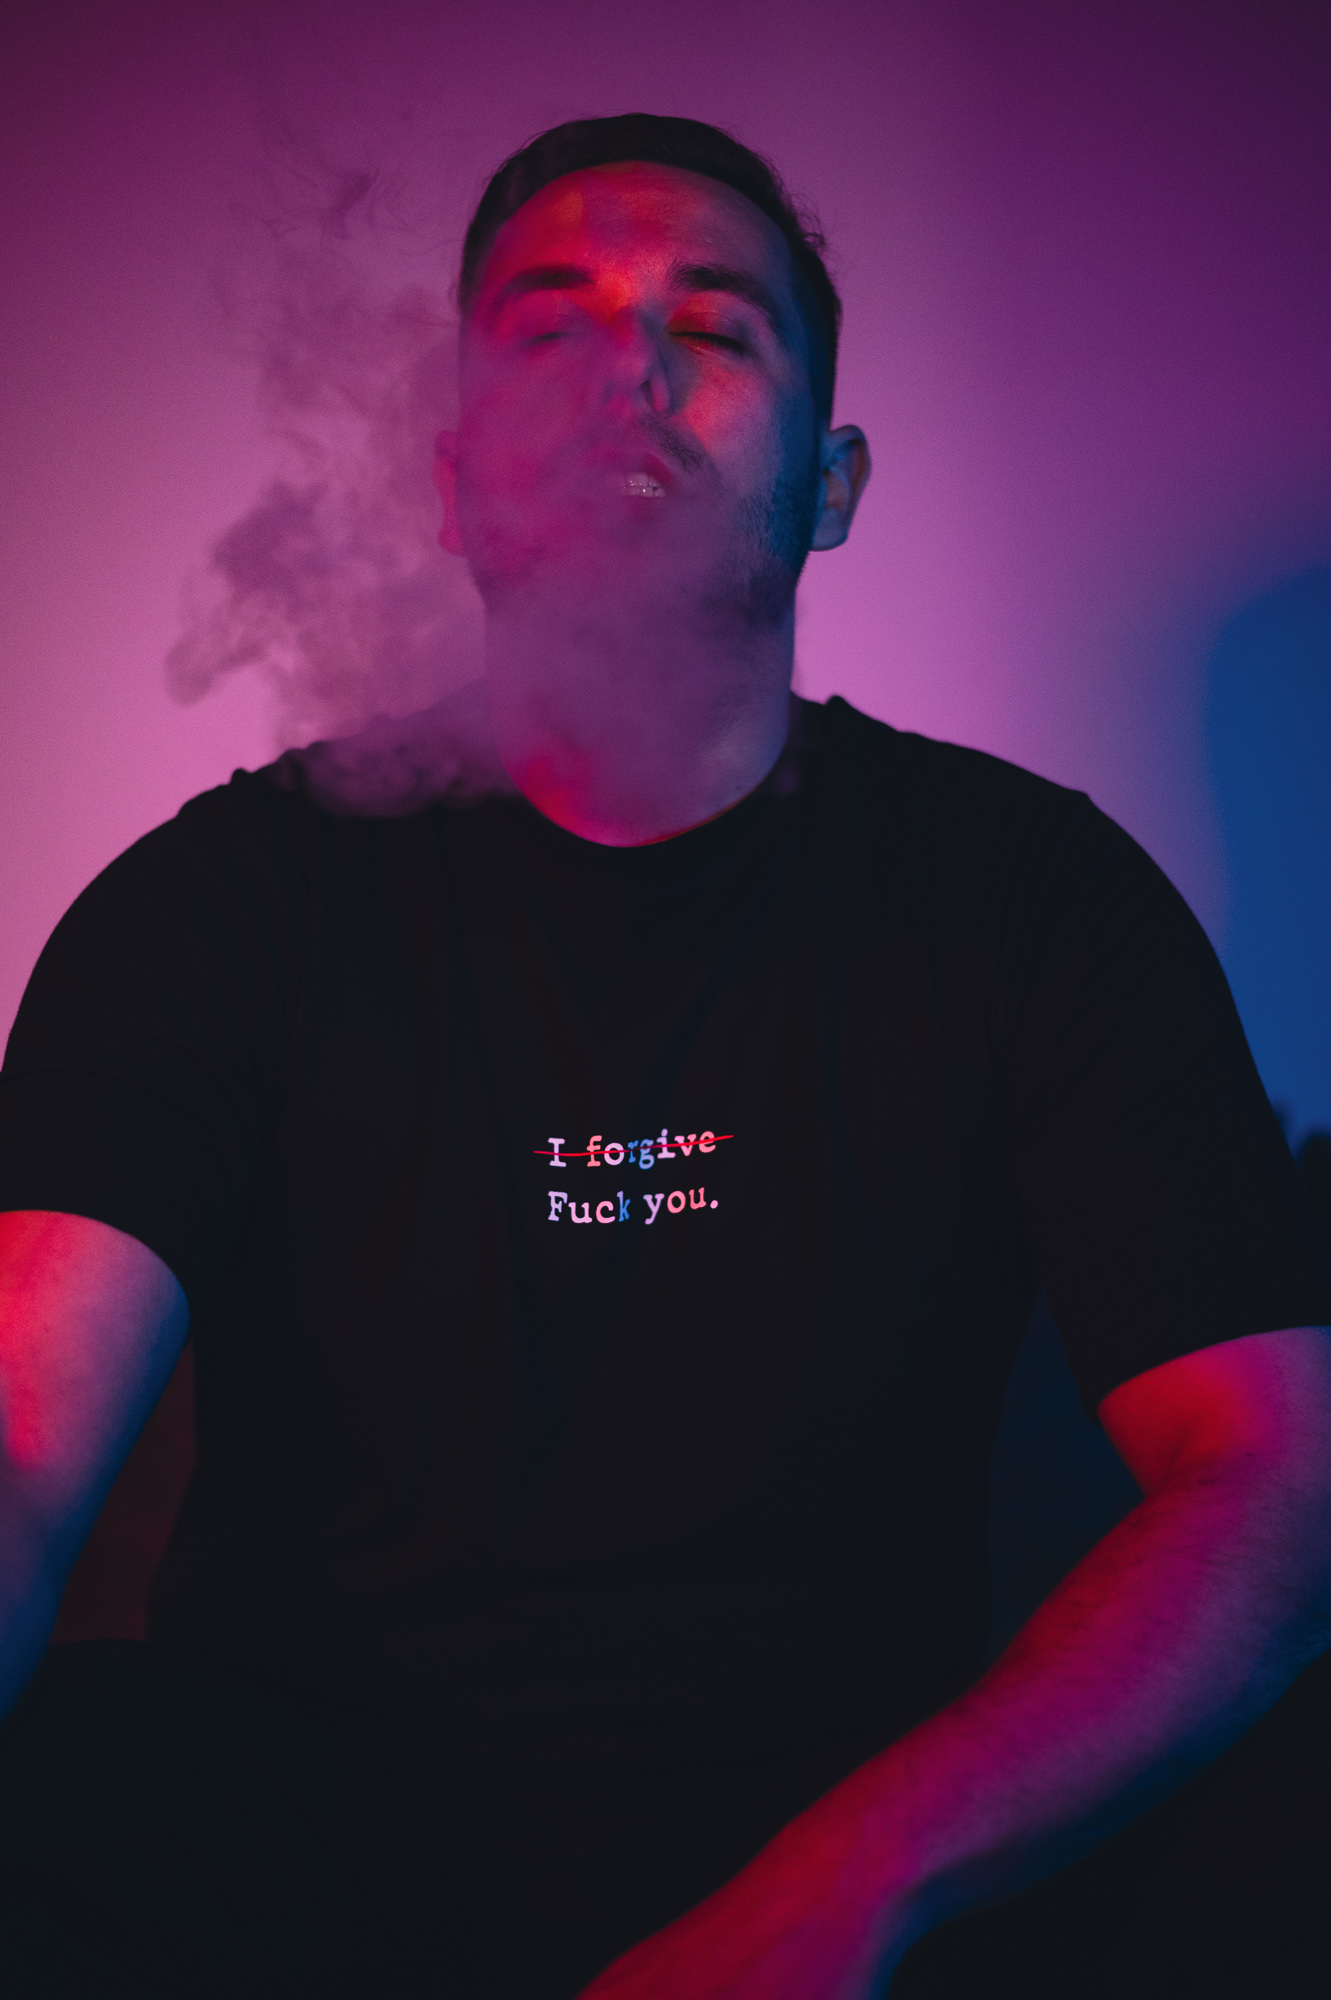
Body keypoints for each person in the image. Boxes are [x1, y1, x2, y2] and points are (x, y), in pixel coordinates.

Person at [0, 113, 1329, 2000]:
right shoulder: (222, 903)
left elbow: (1271, 1477)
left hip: (882, 1821)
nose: (630, 368)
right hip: (307, 1855)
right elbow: (22, 1442)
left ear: (831, 484)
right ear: (456, 482)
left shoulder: (1029, 894)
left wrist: (856, 1890)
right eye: (551, 329)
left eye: (713, 328)